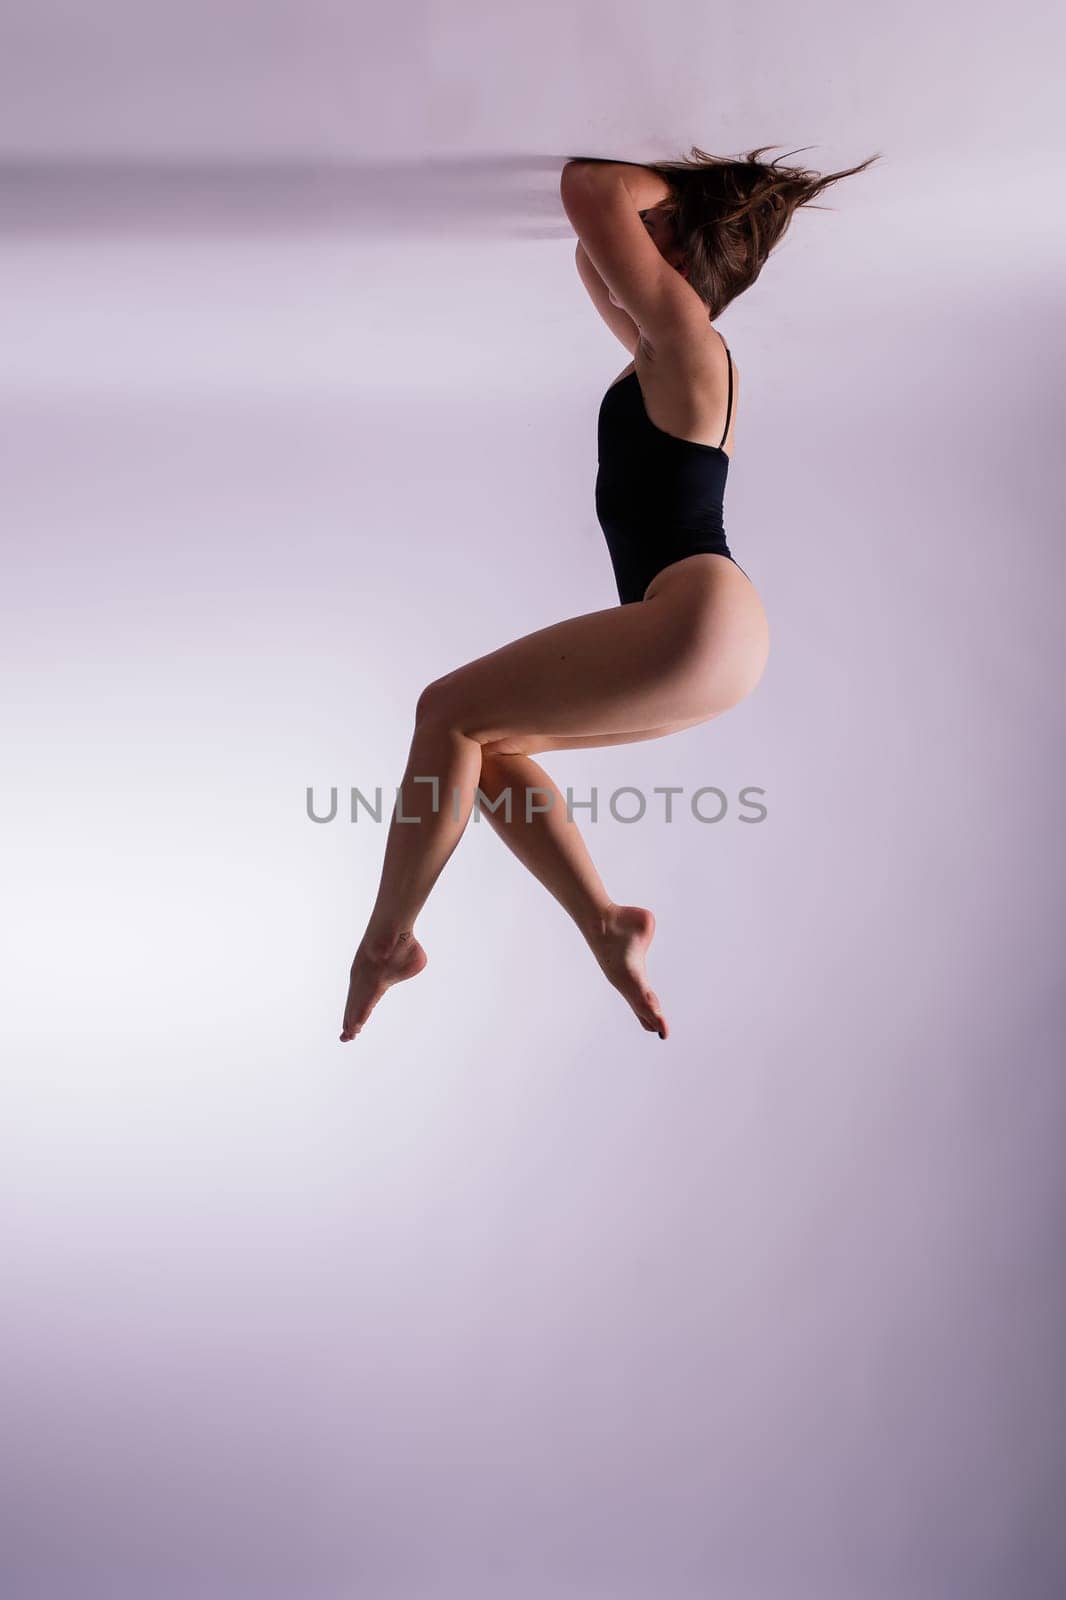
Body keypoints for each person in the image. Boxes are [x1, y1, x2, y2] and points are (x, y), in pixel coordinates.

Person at [340, 143, 879, 1044]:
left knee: (447, 713)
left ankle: (384, 942)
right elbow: (591, 253)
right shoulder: (665, 350)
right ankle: (604, 922)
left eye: (653, 225)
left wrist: (687, 192)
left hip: (697, 619)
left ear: (674, 243)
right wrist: (676, 218)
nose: (635, 230)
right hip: (710, 635)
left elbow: (589, 190)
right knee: (482, 749)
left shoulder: (687, 339)